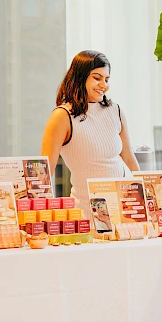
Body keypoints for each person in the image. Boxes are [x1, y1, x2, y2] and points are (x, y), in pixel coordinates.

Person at [41, 50, 139, 216]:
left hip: (125, 207)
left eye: (107, 79)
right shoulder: (62, 116)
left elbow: (128, 157)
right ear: (80, 77)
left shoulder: (115, 110)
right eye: (97, 78)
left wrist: (148, 196)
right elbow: (45, 171)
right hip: (86, 211)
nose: (103, 85)